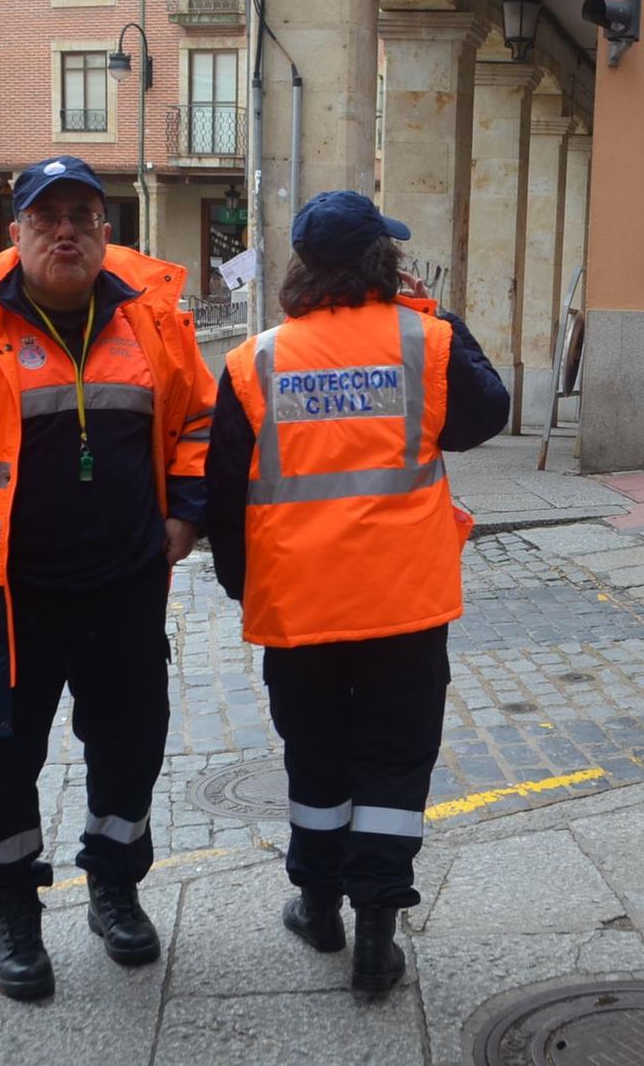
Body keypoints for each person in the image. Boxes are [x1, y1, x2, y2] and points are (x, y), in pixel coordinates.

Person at [0, 157, 216, 1001]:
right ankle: (11, 910)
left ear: (107, 231)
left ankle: (114, 884)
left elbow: (200, 423)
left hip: (124, 587)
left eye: (82, 214)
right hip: (2, 600)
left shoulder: (155, 325)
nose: (65, 230)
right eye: (46, 217)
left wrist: (186, 508)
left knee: (129, 746)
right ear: (17, 232)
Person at [205, 191, 509, 994]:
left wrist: (247, 588)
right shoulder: (425, 341)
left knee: (316, 755)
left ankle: (318, 906)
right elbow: (489, 415)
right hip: (403, 603)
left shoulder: (254, 361)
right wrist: (436, 315)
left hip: (299, 606)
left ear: (304, 269)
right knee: (393, 759)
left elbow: (224, 498)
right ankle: (377, 928)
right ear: (385, 260)